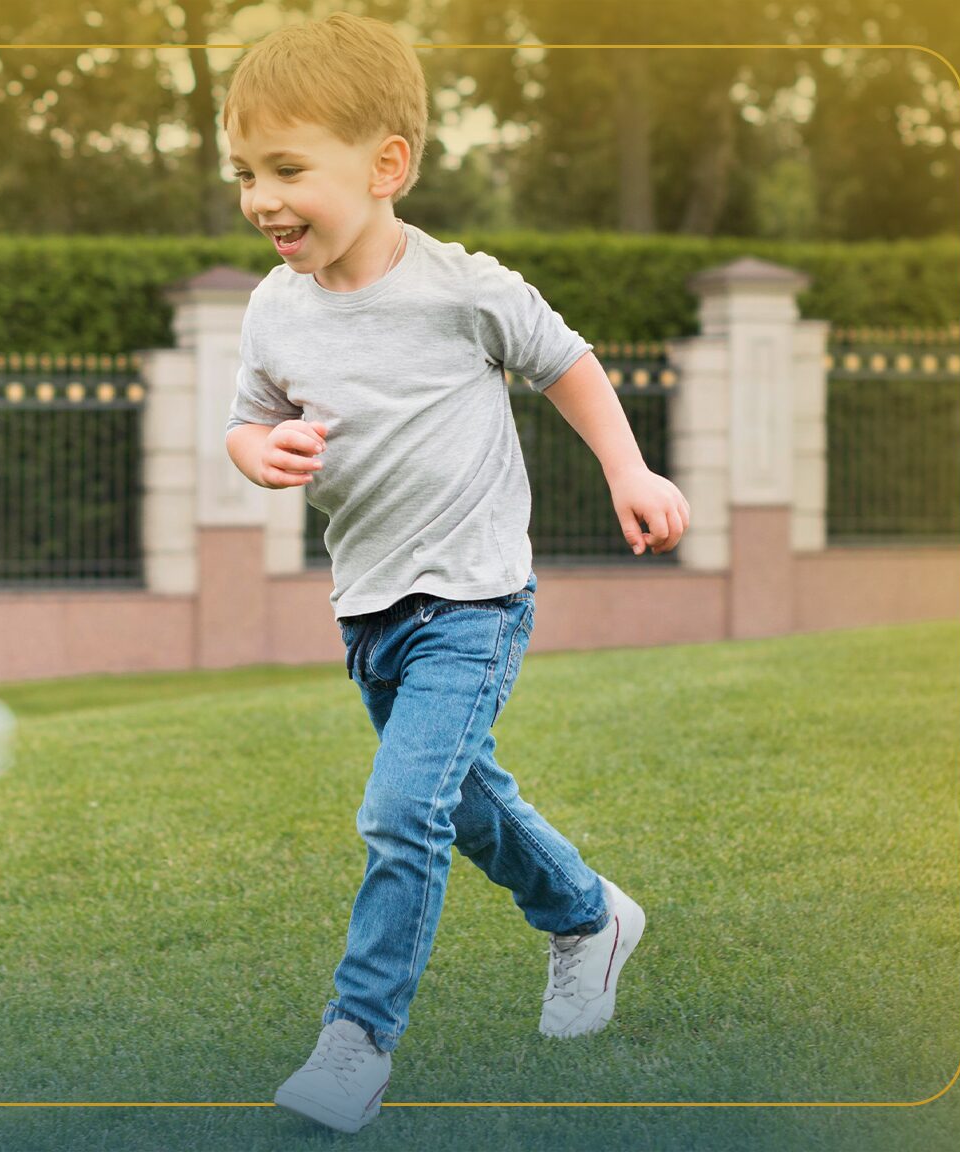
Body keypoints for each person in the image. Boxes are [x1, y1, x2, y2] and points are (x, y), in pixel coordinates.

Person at [219, 11, 691, 1137]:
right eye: (244, 173)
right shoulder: (273, 309)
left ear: (387, 166)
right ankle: (587, 918)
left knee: (399, 814)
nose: (261, 198)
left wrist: (628, 468)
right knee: (465, 800)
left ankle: (356, 1043)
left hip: (474, 596)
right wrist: (257, 453)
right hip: (369, 607)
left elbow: (566, 363)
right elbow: (246, 422)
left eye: (288, 169)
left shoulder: (460, 287)